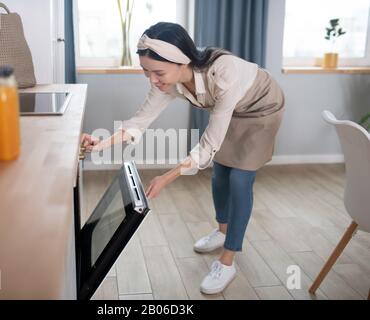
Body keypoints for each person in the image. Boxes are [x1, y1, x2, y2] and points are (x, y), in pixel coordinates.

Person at [81, 22, 285, 295]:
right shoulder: (167, 81)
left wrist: (167, 177)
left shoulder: (224, 73)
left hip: (262, 109)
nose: (153, 79)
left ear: (182, 62)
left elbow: (208, 146)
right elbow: (139, 122)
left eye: (157, 72)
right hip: (232, 110)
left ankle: (228, 260)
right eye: (146, 72)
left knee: (239, 179)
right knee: (220, 173)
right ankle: (222, 231)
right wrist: (99, 145)